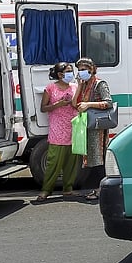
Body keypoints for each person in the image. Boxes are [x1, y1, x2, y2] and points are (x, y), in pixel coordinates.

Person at [35, 62, 79, 201]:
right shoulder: (51, 88)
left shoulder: (75, 87)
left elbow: (79, 103)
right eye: (68, 71)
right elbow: (43, 108)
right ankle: (46, 190)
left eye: (71, 71)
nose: (71, 74)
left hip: (73, 127)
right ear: (60, 74)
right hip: (57, 129)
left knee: (71, 162)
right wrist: (58, 104)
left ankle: (68, 189)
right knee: (53, 162)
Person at [72, 57, 113, 201]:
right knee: (91, 159)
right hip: (87, 126)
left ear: (91, 69)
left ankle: (100, 190)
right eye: (79, 70)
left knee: (98, 159)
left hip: (97, 127)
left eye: (83, 69)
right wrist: (78, 86)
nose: (81, 72)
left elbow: (108, 103)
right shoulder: (84, 85)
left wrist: (89, 104)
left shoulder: (99, 84)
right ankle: (97, 189)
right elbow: (74, 103)